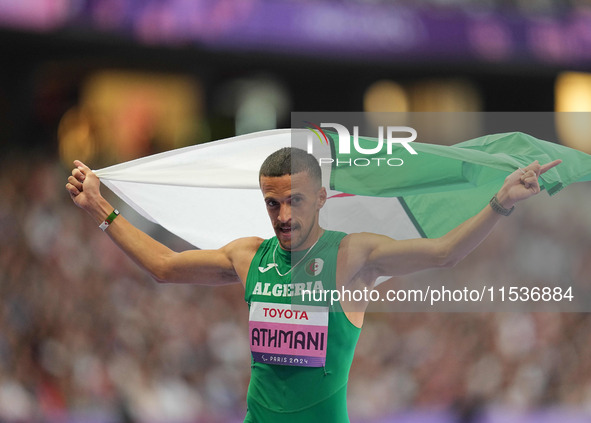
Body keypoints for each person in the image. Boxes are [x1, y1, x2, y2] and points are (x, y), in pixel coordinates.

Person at [66, 147, 561, 422]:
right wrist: (101, 211)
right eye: (273, 204)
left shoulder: (354, 256)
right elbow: (164, 266)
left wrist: (501, 203)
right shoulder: (249, 255)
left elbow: (445, 253)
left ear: (322, 198)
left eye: (296, 202)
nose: (283, 216)